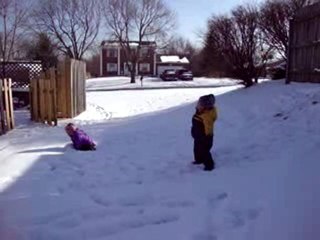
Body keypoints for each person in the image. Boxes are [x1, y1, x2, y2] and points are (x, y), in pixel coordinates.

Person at [191, 94, 217, 171]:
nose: (198, 105)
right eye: (198, 103)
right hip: (198, 136)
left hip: (205, 137)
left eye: (200, 104)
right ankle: (198, 160)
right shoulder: (200, 112)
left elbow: (208, 127)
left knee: (204, 151)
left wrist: (207, 136)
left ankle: (209, 165)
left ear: (205, 107)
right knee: (197, 149)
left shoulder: (207, 116)